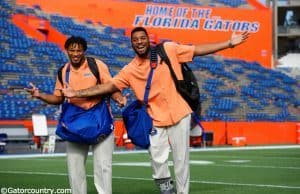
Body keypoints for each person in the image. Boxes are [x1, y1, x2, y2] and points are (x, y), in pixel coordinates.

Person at [62, 27, 249, 194]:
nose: (139, 42)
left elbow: (197, 50)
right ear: (132, 44)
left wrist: (229, 44)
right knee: (156, 155)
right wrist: (77, 92)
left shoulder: (167, 50)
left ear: (148, 39)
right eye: (135, 40)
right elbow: (106, 87)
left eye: (142, 38)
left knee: (181, 158)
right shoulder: (129, 70)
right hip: (155, 117)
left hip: (179, 112)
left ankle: (183, 192)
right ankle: (165, 184)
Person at [25, 36, 125, 194]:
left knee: (103, 167)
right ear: (67, 51)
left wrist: (119, 98)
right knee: (74, 168)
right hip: (75, 125)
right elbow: (58, 98)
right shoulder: (63, 71)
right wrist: (39, 95)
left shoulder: (96, 65)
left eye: (79, 50)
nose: (76, 53)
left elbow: (110, 87)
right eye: (72, 50)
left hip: (100, 122)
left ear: (84, 50)